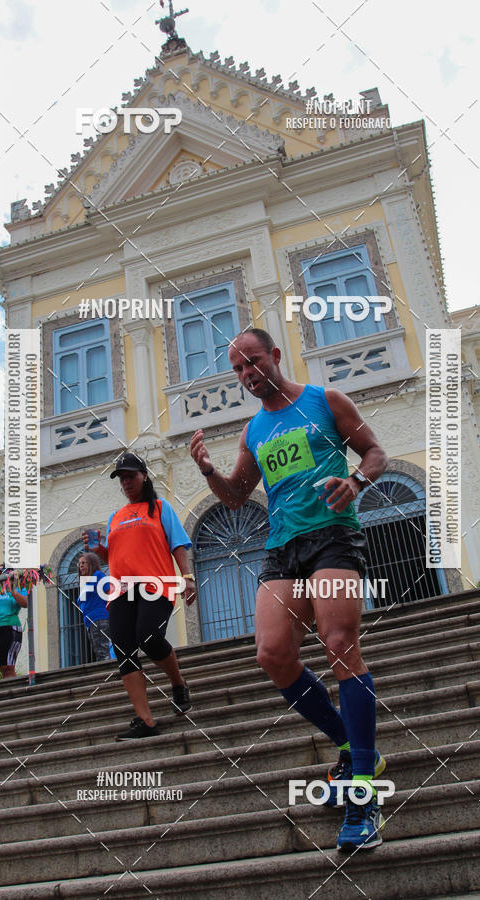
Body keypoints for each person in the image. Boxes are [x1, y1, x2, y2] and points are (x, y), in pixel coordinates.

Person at [190, 328, 388, 851]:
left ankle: (363, 794)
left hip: (333, 537)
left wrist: (358, 483)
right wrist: (209, 470)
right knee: (273, 654)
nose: (247, 374)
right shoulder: (253, 431)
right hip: (282, 548)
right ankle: (350, 742)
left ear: (275, 356)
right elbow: (235, 496)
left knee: (340, 643)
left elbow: (374, 453)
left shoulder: (327, 401)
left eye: (252, 362)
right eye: (237, 369)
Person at [83, 452, 196, 740]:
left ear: (144, 476)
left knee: (148, 636)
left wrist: (187, 577)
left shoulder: (159, 508)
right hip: (121, 588)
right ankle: (145, 720)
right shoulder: (116, 517)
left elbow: (179, 544)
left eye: (130, 475)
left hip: (155, 584)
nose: (126, 482)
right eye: (121, 478)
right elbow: (115, 556)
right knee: (123, 647)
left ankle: (178, 682)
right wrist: (100, 552)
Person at [77, 553, 112, 661]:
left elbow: (109, 591)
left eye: (84, 563)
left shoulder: (98, 575)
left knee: (103, 653)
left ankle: (108, 674)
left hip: (99, 619)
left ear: (91, 564)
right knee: (100, 652)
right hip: (91, 621)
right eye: (79, 563)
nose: (81, 566)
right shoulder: (85, 583)